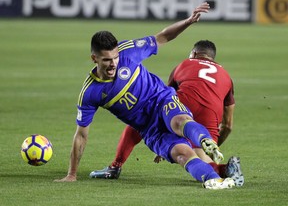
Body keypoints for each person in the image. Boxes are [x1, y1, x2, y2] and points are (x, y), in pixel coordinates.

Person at [55, 2, 235, 189]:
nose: (113, 64)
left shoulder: (129, 50)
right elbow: (81, 135)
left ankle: (204, 141)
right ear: (94, 58)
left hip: (162, 100)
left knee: (179, 121)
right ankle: (213, 180)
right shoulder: (91, 92)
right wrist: (72, 174)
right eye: (106, 60)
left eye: (115, 58)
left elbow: (163, 37)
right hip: (149, 129)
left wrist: (188, 21)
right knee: (182, 154)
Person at [90, 40, 244, 187]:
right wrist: (213, 146)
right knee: (201, 159)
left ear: (194, 53)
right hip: (210, 116)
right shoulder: (226, 76)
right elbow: (228, 125)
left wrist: (165, 135)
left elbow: (163, 99)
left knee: (140, 125)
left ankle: (115, 166)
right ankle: (224, 168)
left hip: (184, 103)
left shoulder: (185, 64)